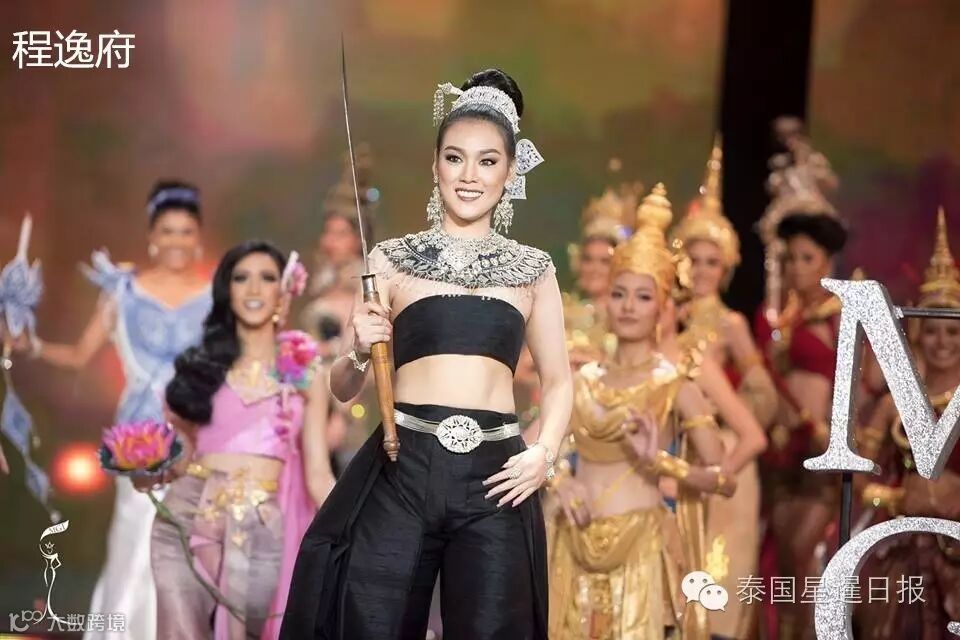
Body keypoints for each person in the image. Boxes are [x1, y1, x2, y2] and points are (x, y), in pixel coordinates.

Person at [281, 68, 572, 640]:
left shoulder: (533, 269)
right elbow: (342, 386)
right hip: (402, 465)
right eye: (455, 158)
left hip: (496, 476)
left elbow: (559, 381)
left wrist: (544, 453)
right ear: (435, 165)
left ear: (511, 171)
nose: (469, 176)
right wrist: (358, 350)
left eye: (488, 161)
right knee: (371, 624)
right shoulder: (390, 259)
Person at [10, 181, 211, 640]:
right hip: (139, 436)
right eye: (167, 231)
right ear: (152, 237)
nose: (176, 241)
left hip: (197, 436)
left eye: (185, 232)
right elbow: (80, 355)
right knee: (134, 542)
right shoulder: (123, 291)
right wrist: (32, 345)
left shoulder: (214, 297)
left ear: (197, 237)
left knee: (187, 546)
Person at [548, 185, 733, 640]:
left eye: (644, 297)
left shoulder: (674, 385)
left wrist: (660, 462)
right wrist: (558, 478)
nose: (629, 307)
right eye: (619, 293)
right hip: (573, 546)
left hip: (640, 552)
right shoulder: (582, 379)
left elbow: (723, 479)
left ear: (663, 307)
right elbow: (530, 448)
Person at [151, 240, 335, 639]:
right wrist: (146, 469)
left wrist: (361, 526)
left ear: (284, 291)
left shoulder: (306, 375)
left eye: (266, 278)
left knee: (246, 630)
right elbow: (180, 461)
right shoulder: (201, 371)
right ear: (226, 289)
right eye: (241, 278)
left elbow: (319, 475)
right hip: (187, 511)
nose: (253, 289)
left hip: (259, 518)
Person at [671, 137, 772, 638]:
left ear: (726, 267)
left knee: (716, 577)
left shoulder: (732, 324)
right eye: (694, 259)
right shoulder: (668, 318)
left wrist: (725, 423)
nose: (702, 270)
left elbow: (764, 397)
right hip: (677, 453)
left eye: (713, 262)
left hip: (725, 454)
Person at [753, 118, 847, 639]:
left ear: (828, 260)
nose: (797, 269)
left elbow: (864, 386)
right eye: (790, 259)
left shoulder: (843, 316)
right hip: (783, 451)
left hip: (823, 451)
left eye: (807, 259)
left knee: (807, 562)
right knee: (782, 565)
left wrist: (840, 435)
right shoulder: (782, 320)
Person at [855, 209, 960, 639]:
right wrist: (898, 499)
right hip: (903, 545)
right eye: (932, 331)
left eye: (952, 332)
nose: (942, 342)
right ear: (917, 334)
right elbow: (858, 478)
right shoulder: (894, 403)